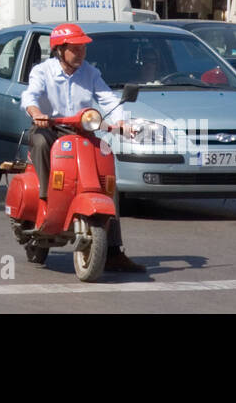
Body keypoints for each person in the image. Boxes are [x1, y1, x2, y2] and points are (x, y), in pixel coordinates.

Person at [20, 23, 145, 273]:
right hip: (49, 127)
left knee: (106, 168)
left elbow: (108, 98)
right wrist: (36, 113)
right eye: (75, 49)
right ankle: (46, 198)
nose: (81, 54)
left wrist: (122, 121)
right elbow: (30, 96)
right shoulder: (42, 71)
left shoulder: (90, 72)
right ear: (60, 50)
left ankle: (113, 250)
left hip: (80, 129)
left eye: (83, 49)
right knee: (42, 142)